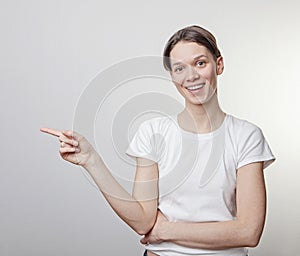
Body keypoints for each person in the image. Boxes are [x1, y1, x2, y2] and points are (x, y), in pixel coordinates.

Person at [40, 25, 275, 256]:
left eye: (200, 63)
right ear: (172, 76)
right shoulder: (153, 132)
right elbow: (143, 221)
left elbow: (249, 232)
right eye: (179, 68)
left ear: (219, 65)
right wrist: (91, 160)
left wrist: (166, 230)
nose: (191, 76)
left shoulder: (246, 136)